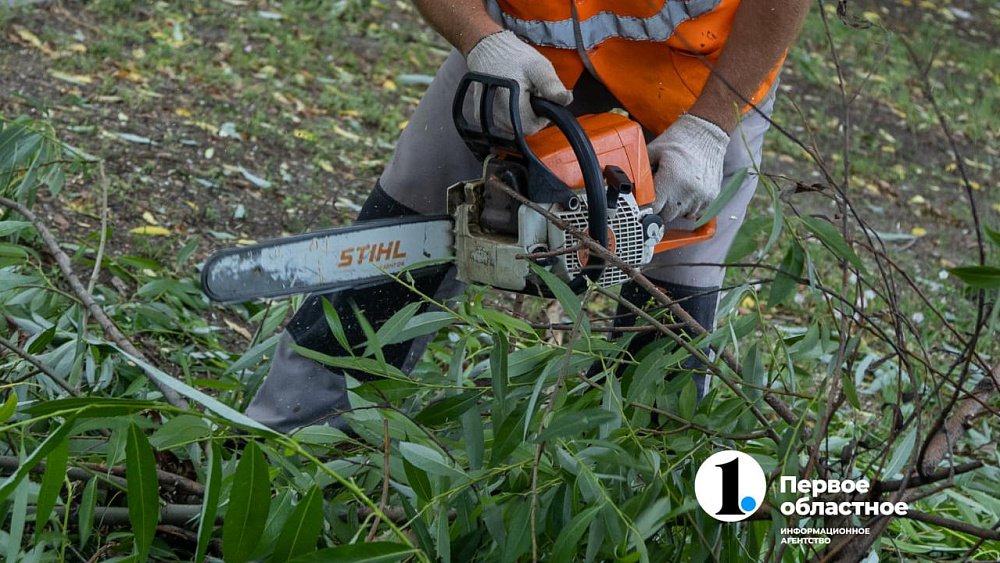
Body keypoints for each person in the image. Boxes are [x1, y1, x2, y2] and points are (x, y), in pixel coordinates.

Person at [246, 0, 810, 433]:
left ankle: (637, 481)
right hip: (524, 51)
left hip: (703, 71)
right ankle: (297, 430)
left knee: (679, 282)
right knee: (415, 196)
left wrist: (712, 126)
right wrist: (480, 36)